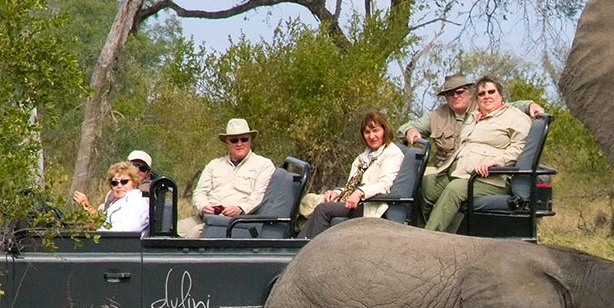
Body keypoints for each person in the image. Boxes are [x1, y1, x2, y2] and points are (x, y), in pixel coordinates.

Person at [420, 76, 531, 234]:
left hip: (491, 178)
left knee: (454, 190)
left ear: (500, 94)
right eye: (481, 94)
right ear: (476, 98)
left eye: (491, 92)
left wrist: (495, 161)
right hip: (461, 171)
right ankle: (435, 232)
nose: (486, 96)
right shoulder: (474, 116)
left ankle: (429, 239)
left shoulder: (515, 118)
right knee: (428, 186)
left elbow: (520, 148)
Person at [300, 111, 405, 239]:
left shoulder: (392, 153)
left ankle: (306, 249)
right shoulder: (362, 157)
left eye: (375, 131)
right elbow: (350, 185)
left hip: (370, 205)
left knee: (323, 210)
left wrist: (360, 192)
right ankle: (296, 245)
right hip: (352, 202)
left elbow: (384, 186)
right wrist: (337, 193)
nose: (371, 136)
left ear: (384, 130)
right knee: (314, 204)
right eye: (367, 132)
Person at [190, 118, 275, 239]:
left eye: (244, 139)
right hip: (208, 217)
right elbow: (199, 192)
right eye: (234, 140)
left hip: (237, 223)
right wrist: (204, 206)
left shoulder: (264, 165)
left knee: (192, 235)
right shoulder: (214, 164)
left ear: (250, 140)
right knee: (171, 229)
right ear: (227, 142)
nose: (240, 144)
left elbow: (258, 197)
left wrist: (240, 209)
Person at [72, 161, 150, 232]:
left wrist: (88, 208)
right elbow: (106, 224)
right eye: (114, 183)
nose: (119, 186)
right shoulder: (118, 203)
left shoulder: (136, 202)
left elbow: (121, 232)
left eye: (124, 182)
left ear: (134, 183)